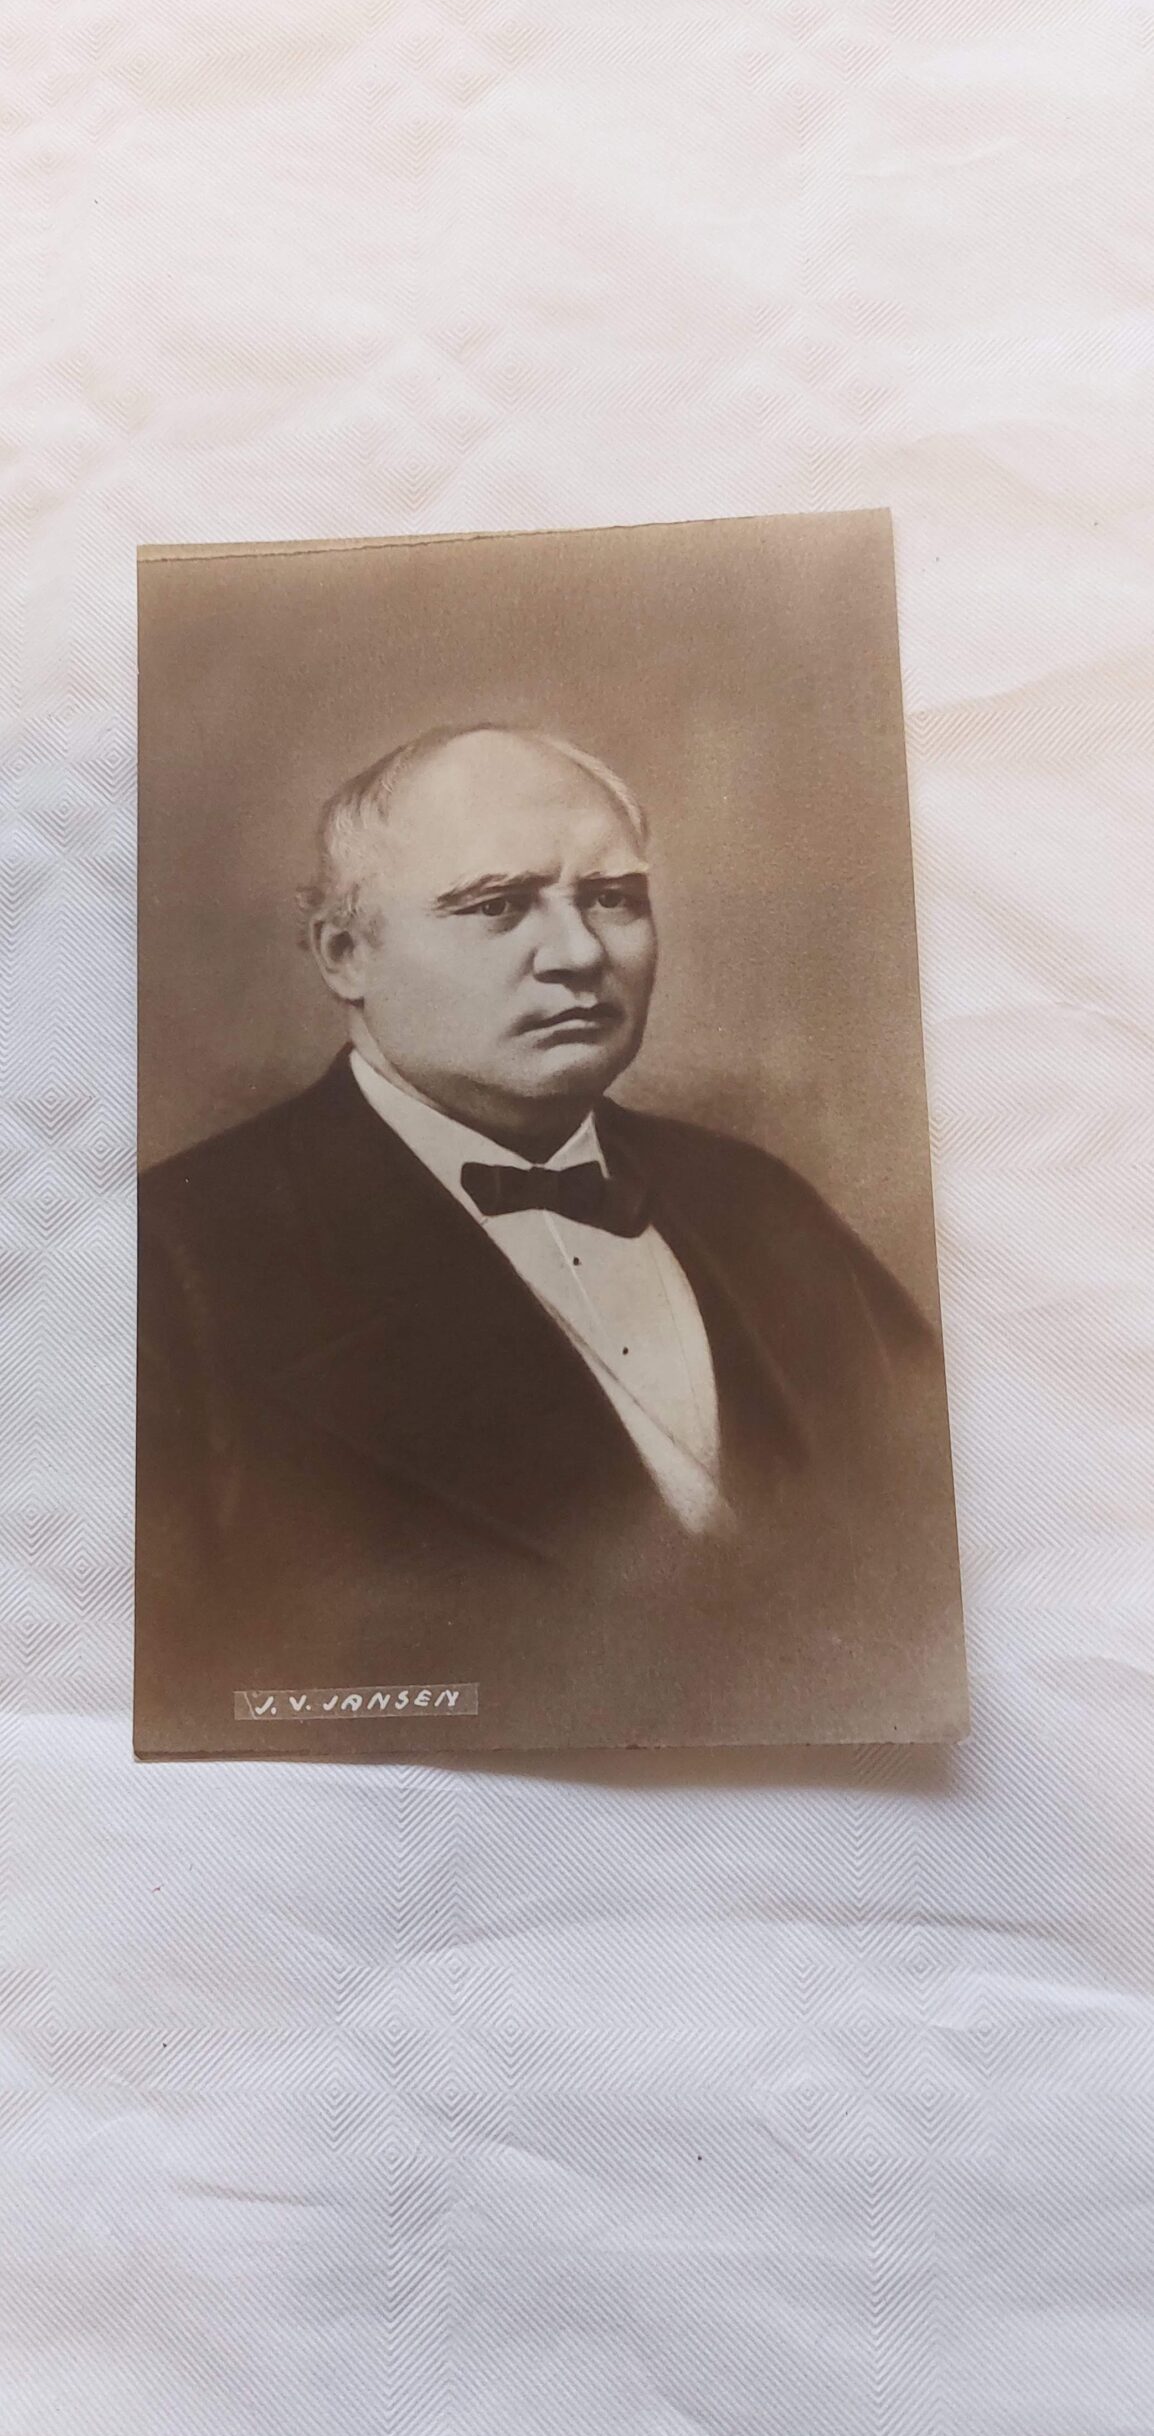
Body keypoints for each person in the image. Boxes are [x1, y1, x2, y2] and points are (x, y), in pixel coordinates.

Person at [135, 724, 965, 1756]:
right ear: (345, 954)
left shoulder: (759, 1204)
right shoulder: (169, 1264)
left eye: (612, 897)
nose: (578, 954)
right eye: (496, 905)